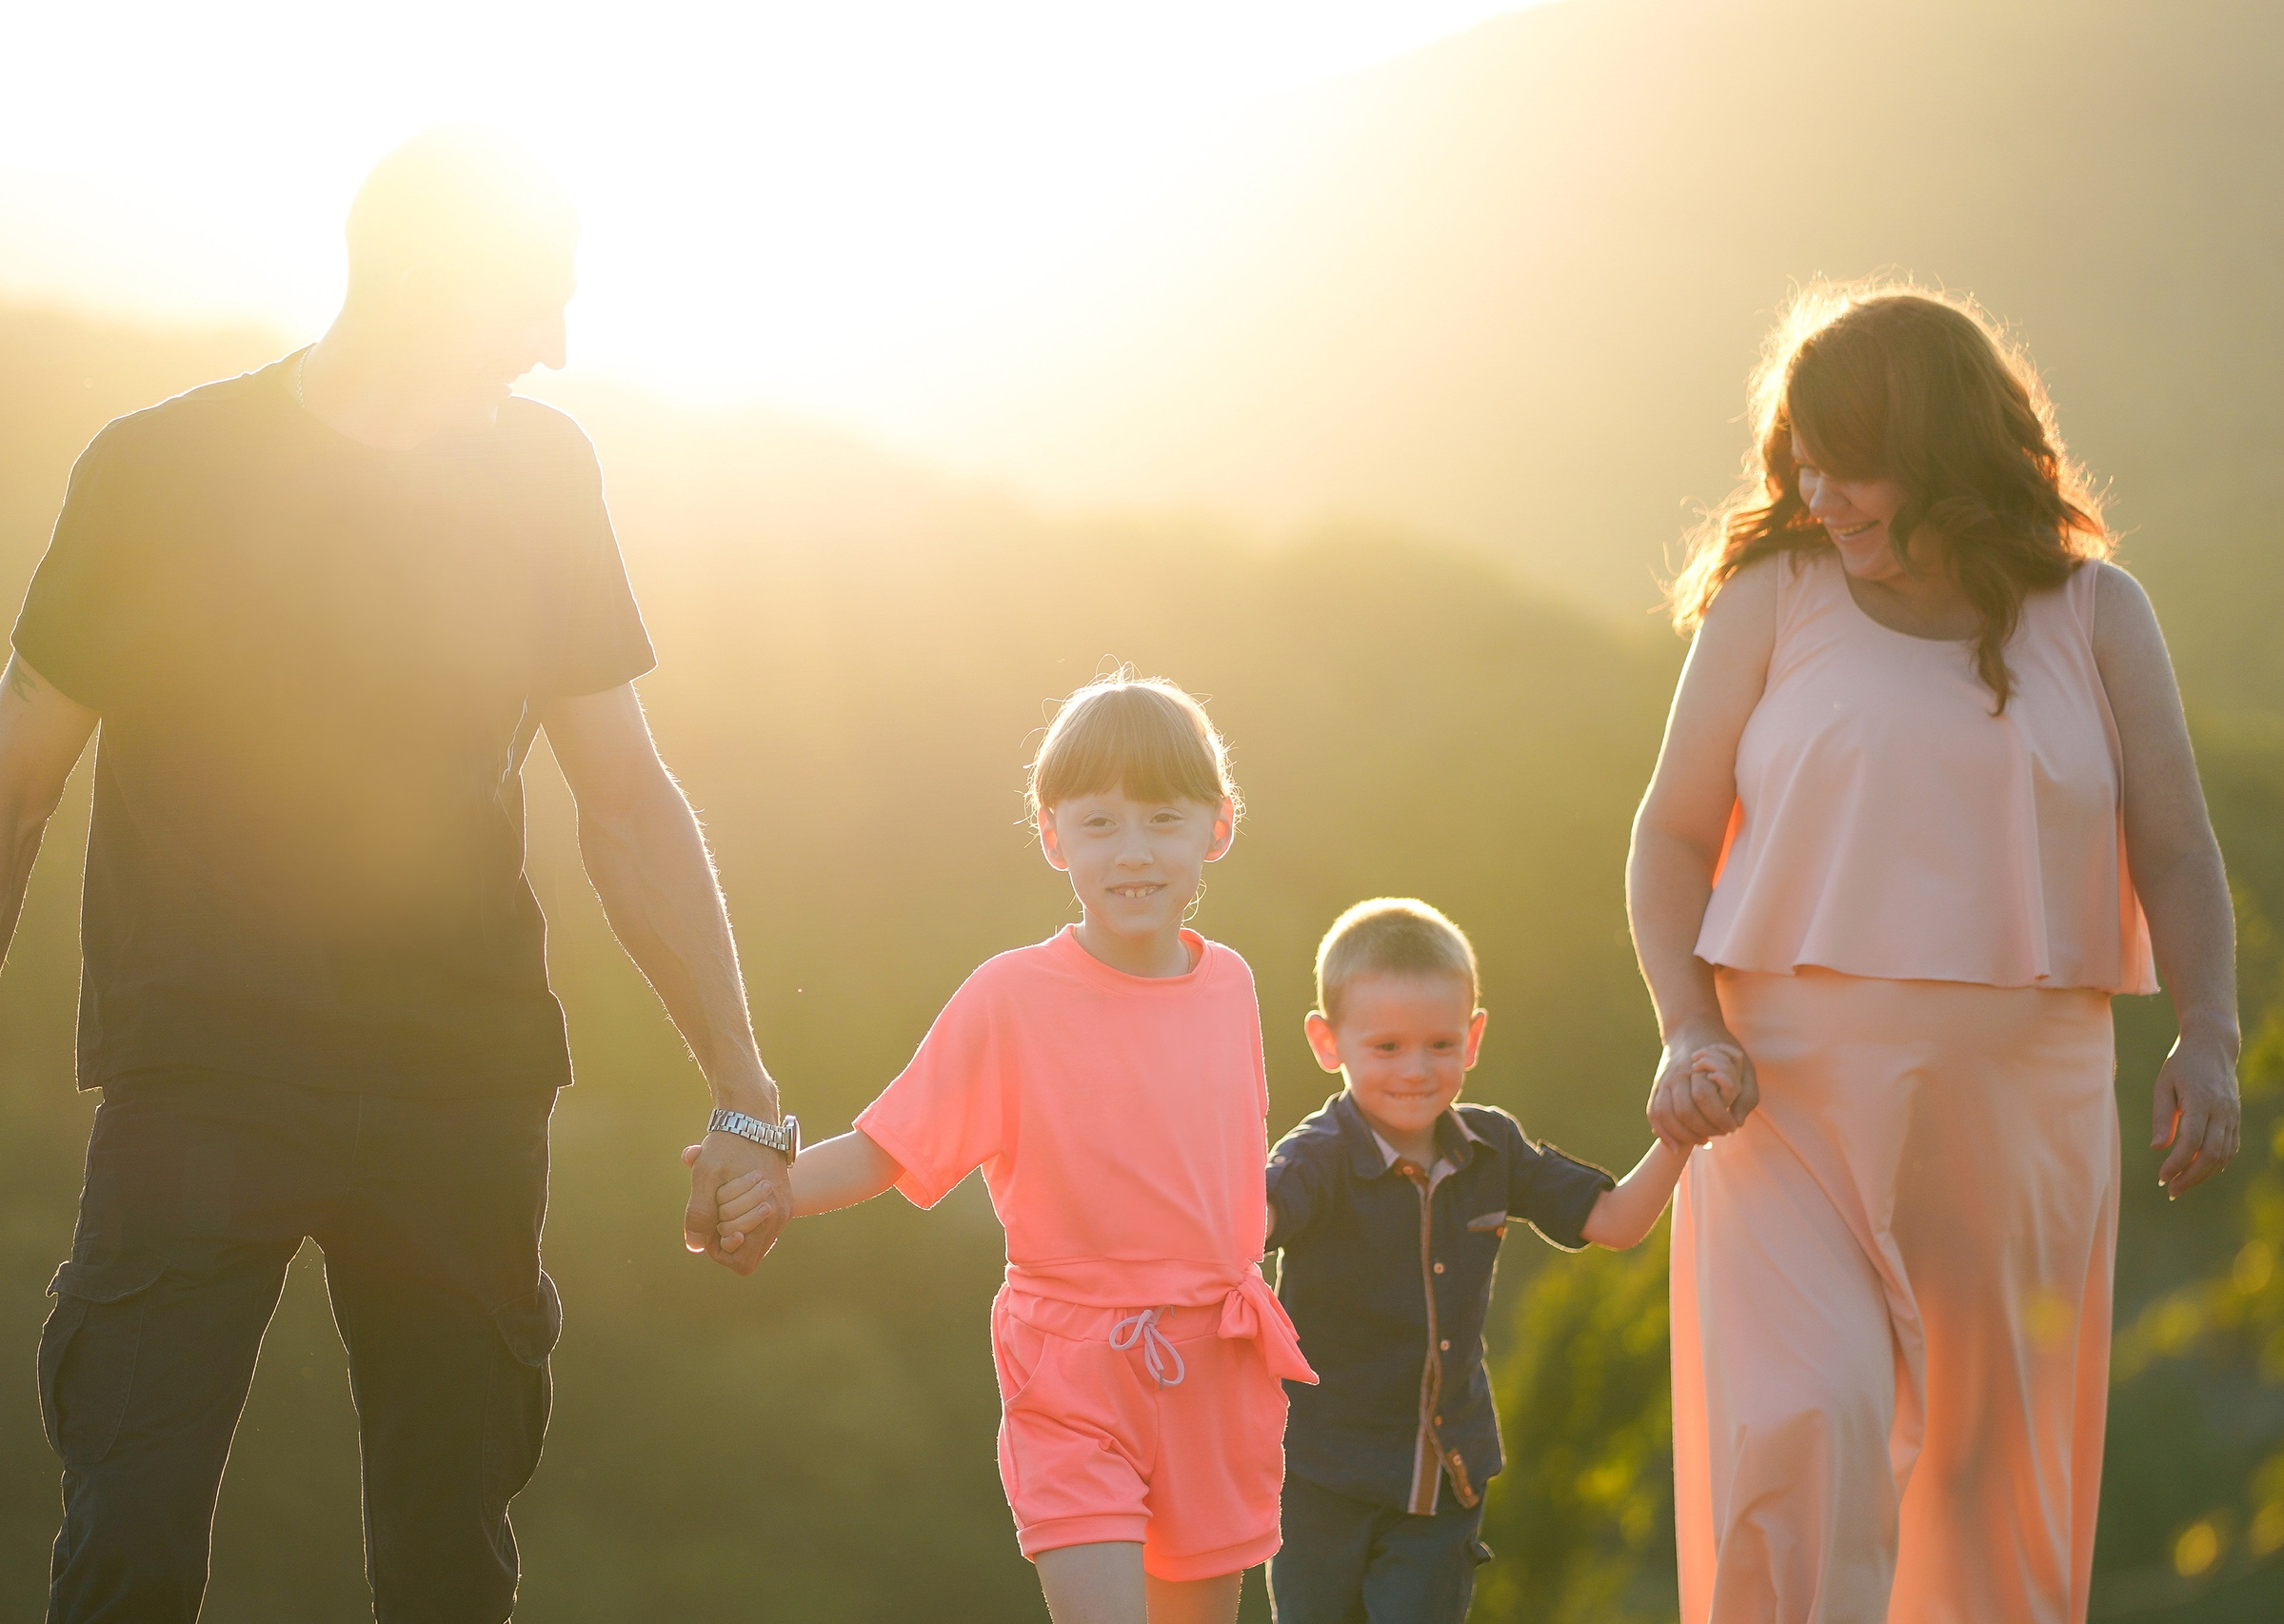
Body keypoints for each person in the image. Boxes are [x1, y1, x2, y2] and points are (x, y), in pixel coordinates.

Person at [0, 126, 797, 1624]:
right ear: (428, 280)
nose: (558, 346)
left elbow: (627, 801)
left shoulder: (545, 475)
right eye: (535, 300)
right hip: (199, 1079)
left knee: (450, 1566)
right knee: (130, 1542)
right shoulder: (160, 470)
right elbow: (5, 790)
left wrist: (745, 1089)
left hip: (461, 1085)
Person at [1628, 284, 2242, 1622]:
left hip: (2023, 1112)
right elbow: (1670, 836)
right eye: (1800, 454)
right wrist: (1688, 1022)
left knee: (1986, 1499)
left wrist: (2210, 1031)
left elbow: (2180, 851)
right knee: (1805, 1421)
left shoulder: (2098, 614)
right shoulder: (1771, 597)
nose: (1816, 488)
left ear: (1951, 451)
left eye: (1852, 461)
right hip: (1782, 1098)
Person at [698, 672, 1309, 1624]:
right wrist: (776, 1187)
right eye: (1099, 822)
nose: (1134, 850)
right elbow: (889, 1143)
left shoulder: (1231, 982)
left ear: (1216, 827)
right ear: (1051, 832)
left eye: (1162, 817)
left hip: (1214, 1368)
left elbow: (1215, 1173)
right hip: (1070, 1373)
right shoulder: (1010, 996)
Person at [1262, 898, 1714, 1624]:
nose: (1416, 1070)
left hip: (1447, 1483)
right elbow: (1250, 1224)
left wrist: (1680, 1137)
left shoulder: (1491, 1149)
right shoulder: (1316, 1157)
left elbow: (1616, 1221)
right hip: (1323, 1483)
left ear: (1473, 1039)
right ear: (1328, 1041)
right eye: (1386, 1047)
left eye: (1440, 1045)